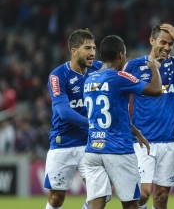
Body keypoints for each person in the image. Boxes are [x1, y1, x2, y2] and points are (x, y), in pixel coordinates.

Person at [123, 23, 174, 209]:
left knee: (162, 197)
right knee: (142, 194)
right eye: (163, 42)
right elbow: (120, 94)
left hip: (169, 140)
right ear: (151, 41)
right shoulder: (133, 66)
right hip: (142, 139)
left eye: (170, 43)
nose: (166, 47)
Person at [83, 35, 162, 209]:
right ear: (120, 55)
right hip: (118, 149)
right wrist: (154, 68)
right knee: (131, 204)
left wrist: (136, 132)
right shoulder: (119, 77)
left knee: (95, 204)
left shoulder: (89, 81)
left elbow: (110, 115)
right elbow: (156, 90)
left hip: (93, 150)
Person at [44, 28, 102, 209]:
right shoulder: (58, 75)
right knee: (56, 199)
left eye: (93, 47)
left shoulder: (99, 69)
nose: (92, 52)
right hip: (63, 142)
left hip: (89, 144)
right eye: (87, 48)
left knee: (99, 195)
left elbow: (123, 71)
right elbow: (64, 112)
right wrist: (95, 124)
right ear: (74, 51)